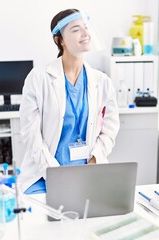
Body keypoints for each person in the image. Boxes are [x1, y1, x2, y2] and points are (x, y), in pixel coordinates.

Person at [19, 9, 120, 194]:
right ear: (60, 40)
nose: (85, 33)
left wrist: (95, 158)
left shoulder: (102, 81)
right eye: (75, 29)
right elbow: (30, 134)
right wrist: (55, 174)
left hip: (89, 171)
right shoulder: (38, 78)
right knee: (48, 218)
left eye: (86, 28)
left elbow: (110, 128)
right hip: (43, 174)